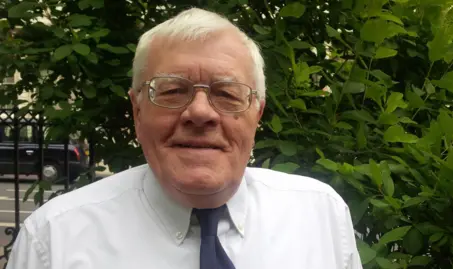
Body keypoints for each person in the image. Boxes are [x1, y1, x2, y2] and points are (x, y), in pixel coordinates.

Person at [6, 7, 363, 269]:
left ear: (257, 113)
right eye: (173, 90)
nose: (201, 112)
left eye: (227, 93)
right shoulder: (54, 240)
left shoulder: (320, 215)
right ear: (137, 110)